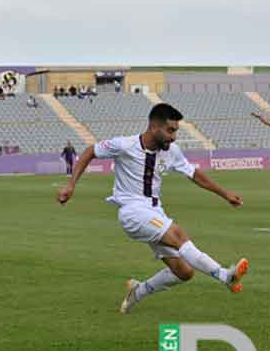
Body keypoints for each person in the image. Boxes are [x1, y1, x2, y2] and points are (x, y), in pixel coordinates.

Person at [56, 103, 249, 313]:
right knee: (177, 234)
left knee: (183, 272)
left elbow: (194, 174)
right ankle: (225, 276)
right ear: (154, 127)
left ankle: (138, 291)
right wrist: (71, 184)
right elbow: (89, 152)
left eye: (176, 131)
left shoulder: (171, 151)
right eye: (170, 130)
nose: (174, 136)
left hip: (155, 212)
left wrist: (225, 194)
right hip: (132, 212)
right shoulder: (125, 145)